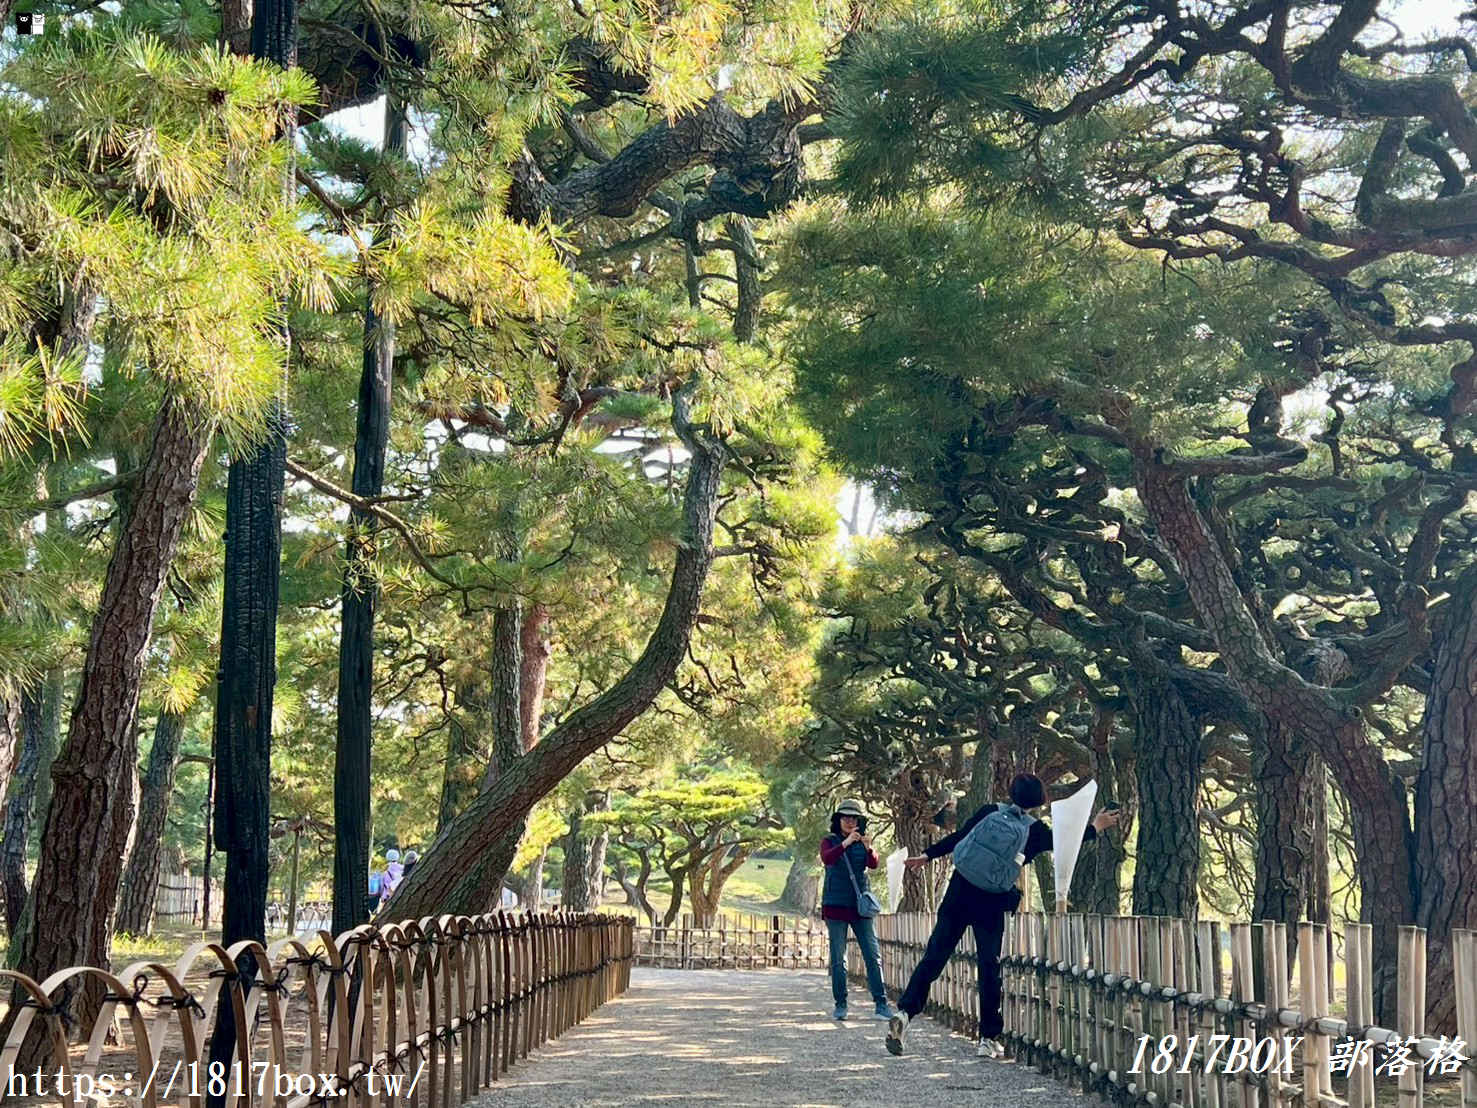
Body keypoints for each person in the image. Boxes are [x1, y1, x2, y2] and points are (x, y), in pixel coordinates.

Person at [885, 774, 1120, 1059]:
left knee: (935, 954)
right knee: (989, 966)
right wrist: (1096, 826)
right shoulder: (1035, 831)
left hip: (959, 889)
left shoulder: (990, 811)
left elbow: (960, 837)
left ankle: (905, 1012)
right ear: (1040, 801)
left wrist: (927, 855)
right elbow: (1064, 841)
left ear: (1011, 792)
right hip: (992, 900)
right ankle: (987, 1038)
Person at [819, 798, 895, 1022]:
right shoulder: (829, 841)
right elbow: (827, 858)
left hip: (860, 907)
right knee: (838, 959)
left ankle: (881, 1004)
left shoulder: (863, 841)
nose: (849, 821)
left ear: (859, 821)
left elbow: (873, 864)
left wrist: (868, 847)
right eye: (845, 817)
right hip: (835, 905)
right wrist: (846, 843)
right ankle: (841, 1004)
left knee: (872, 955)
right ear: (838, 820)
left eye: (853, 818)